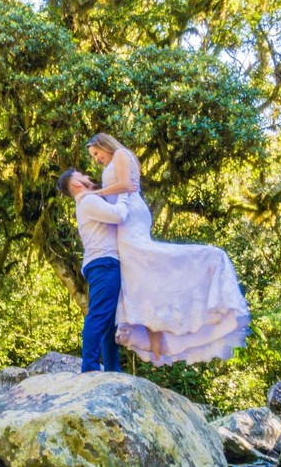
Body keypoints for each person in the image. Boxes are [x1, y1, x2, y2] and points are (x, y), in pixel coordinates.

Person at [84, 133, 250, 366]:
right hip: (122, 220)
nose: (97, 159)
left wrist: (93, 194)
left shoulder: (121, 154)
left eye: (96, 153)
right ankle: (155, 329)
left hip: (130, 216)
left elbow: (125, 185)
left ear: (104, 145)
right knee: (140, 276)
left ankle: (210, 260)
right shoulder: (113, 160)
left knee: (147, 261)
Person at [56, 168, 128, 372]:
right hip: (104, 262)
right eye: (83, 177)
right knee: (99, 315)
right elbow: (119, 215)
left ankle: (113, 368)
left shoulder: (87, 202)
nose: (88, 178)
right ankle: (89, 367)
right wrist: (124, 192)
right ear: (77, 184)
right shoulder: (87, 201)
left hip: (101, 263)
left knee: (108, 322)